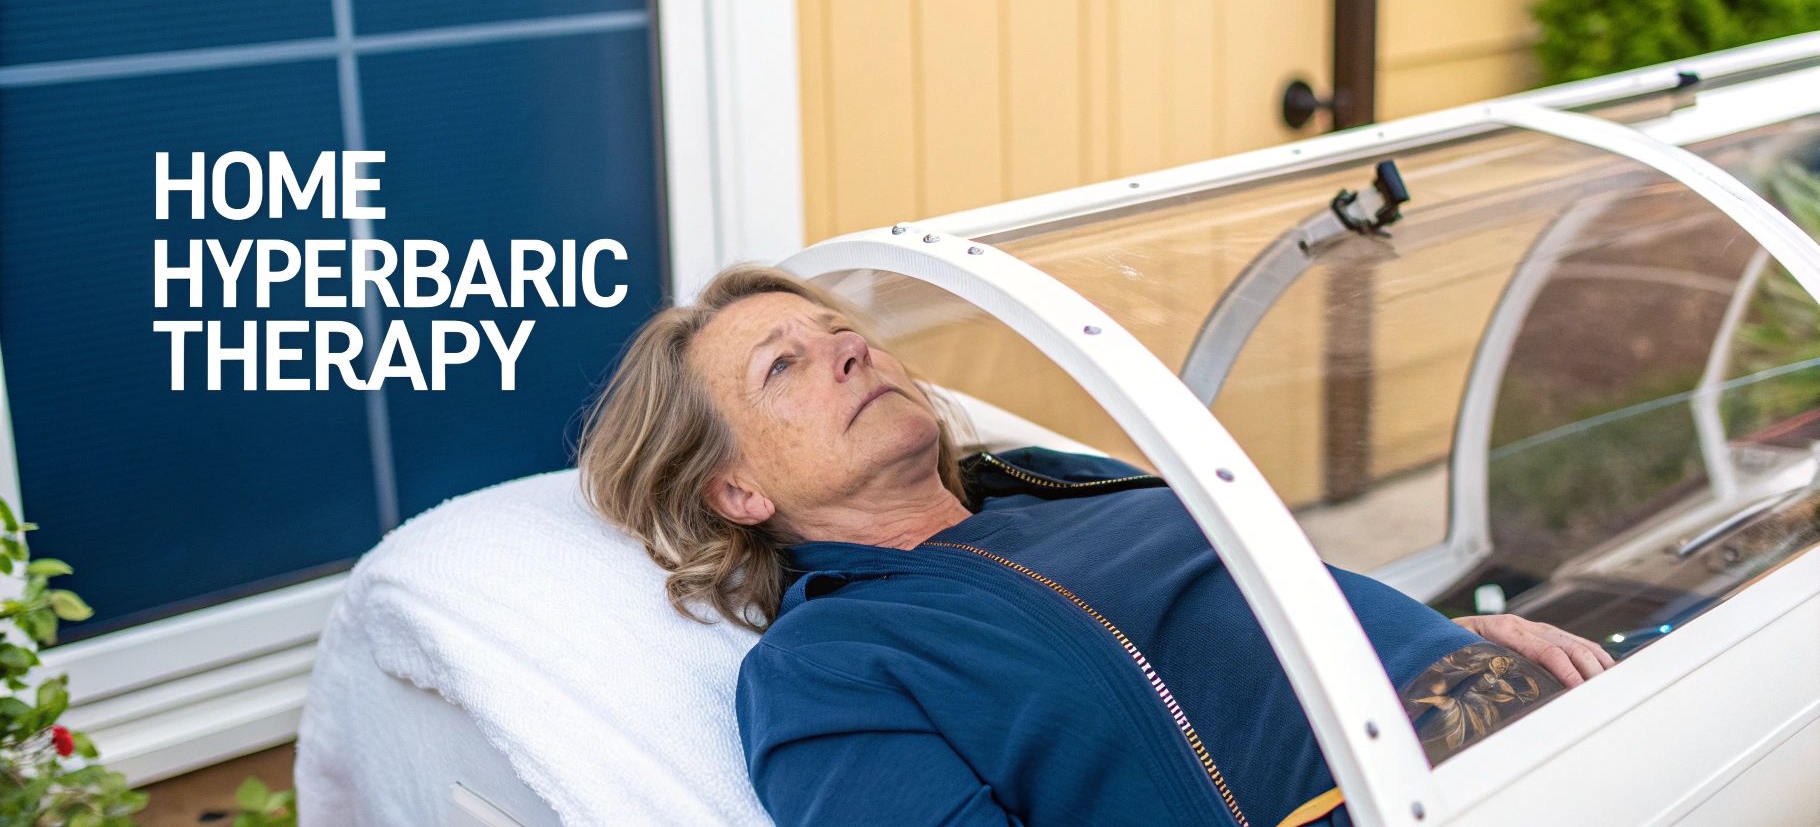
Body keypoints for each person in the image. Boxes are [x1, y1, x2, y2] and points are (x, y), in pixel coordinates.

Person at [578, 265, 1613, 827]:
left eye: (838, 330)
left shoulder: (1059, 478)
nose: (847, 346)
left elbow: (1256, 596)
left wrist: (1431, 631)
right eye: (782, 367)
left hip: (1557, 720)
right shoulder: (826, 667)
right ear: (736, 489)